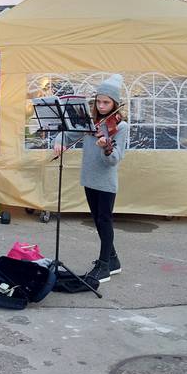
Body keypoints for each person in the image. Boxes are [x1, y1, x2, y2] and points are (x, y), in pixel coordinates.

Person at [54, 74, 129, 283]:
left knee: (104, 221)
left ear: (115, 103)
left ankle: (104, 265)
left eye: (107, 102)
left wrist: (106, 147)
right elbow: (66, 134)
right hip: (89, 178)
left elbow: (114, 160)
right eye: (99, 101)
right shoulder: (90, 123)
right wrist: (58, 141)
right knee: (97, 220)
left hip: (105, 182)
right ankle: (113, 260)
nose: (102, 106)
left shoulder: (121, 127)